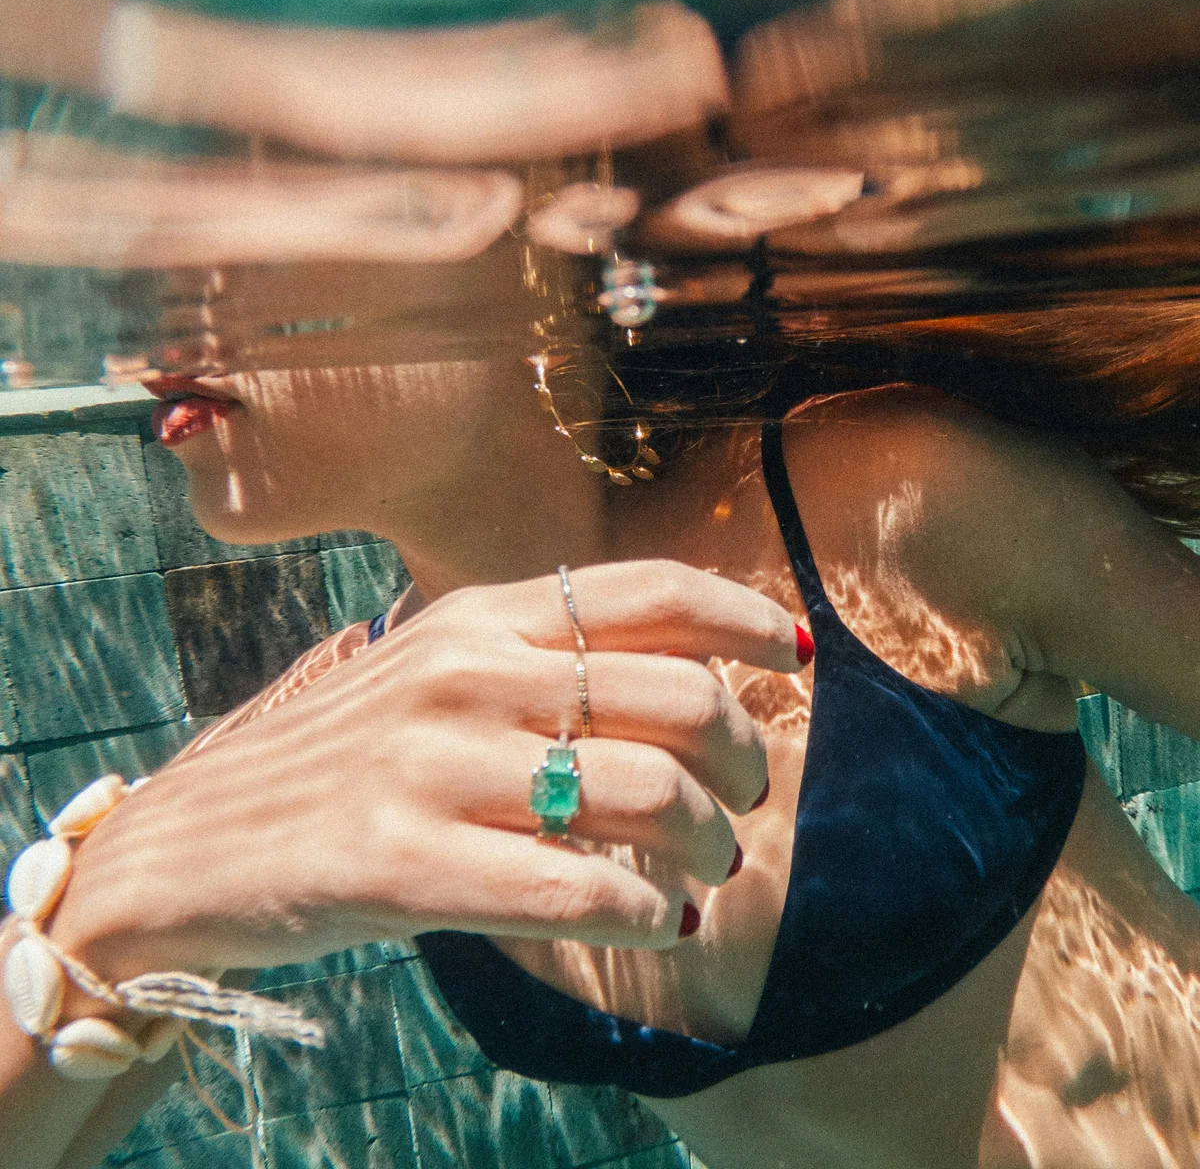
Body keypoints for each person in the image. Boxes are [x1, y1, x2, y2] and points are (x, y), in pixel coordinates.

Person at [6, 216, 1200, 1168]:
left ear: (541, 236)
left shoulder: (890, 508)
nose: (135, 288)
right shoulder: (338, 740)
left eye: (229, 202)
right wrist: (102, 911)